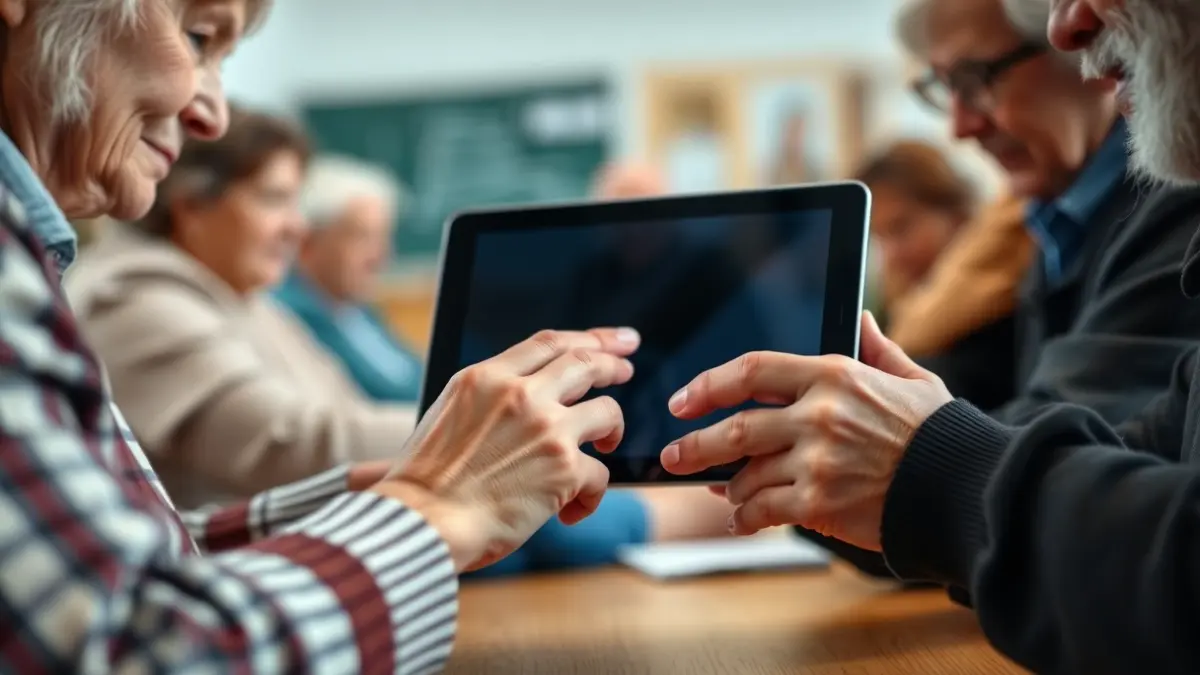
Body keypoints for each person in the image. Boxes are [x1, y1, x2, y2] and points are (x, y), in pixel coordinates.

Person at [0, 1, 638, 672]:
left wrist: (390, 493)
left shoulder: (228, 300)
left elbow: (118, 562)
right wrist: (436, 505)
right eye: (195, 36)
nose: (210, 113)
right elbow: (152, 650)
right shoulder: (122, 289)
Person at [658, 0, 1200, 672]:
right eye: (943, 87)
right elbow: (1125, 459)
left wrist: (921, 467)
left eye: (978, 78)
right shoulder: (1043, 238)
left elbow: (1093, 460)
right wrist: (839, 453)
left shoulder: (1162, 208)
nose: (1069, 26)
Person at [64, 109, 419, 509]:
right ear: (192, 206)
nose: (297, 227)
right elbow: (286, 443)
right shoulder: (131, 299)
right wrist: (466, 422)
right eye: (274, 199)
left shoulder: (244, 298)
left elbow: (347, 408)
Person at [854, 141, 1034, 411]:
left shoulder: (1007, 295)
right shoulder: (900, 305)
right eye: (880, 238)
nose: (892, 254)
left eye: (901, 227)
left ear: (954, 210)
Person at [275, 154, 425, 404]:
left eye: (383, 237)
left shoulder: (357, 311)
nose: (381, 256)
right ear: (307, 243)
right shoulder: (288, 319)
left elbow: (418, 379)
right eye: (362, 237)